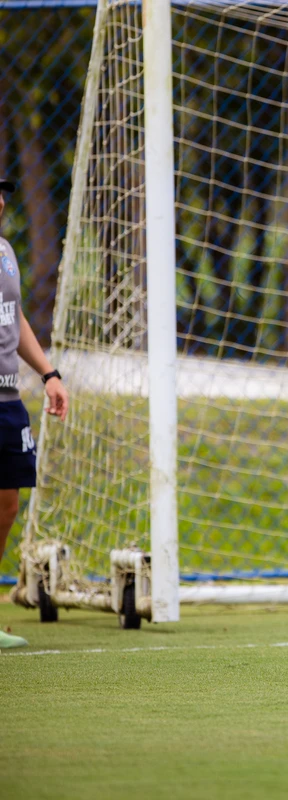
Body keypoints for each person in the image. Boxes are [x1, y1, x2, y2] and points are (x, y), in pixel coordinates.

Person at [0, 177, 69, 649]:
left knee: (6, 504)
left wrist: (48, 374)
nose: (0, 200)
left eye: (1, 192)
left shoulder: (5, 250)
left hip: (7, 400)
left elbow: (14, 314)